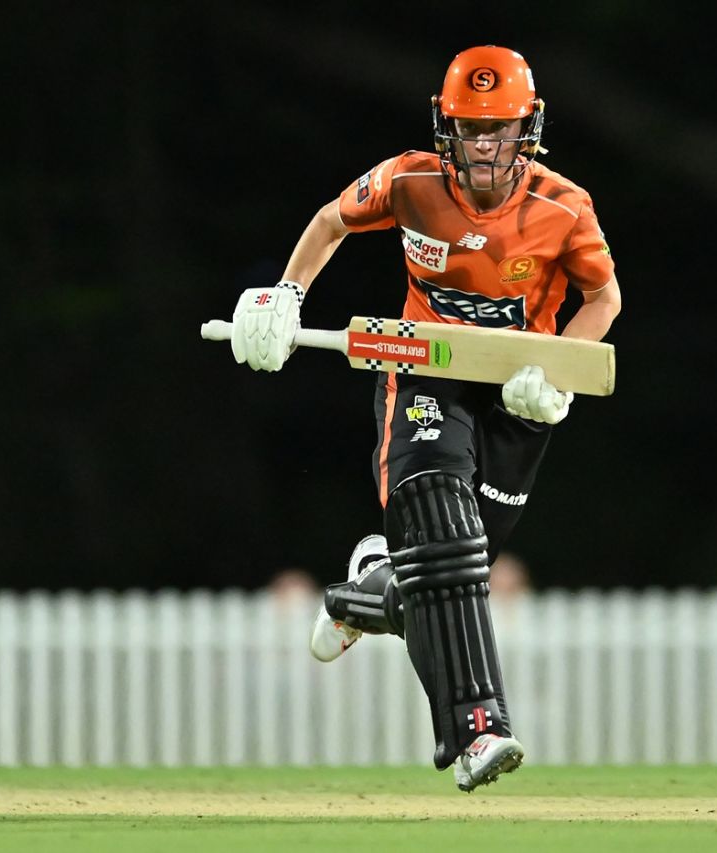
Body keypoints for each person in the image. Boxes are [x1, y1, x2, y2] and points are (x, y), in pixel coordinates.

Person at [227, 45, 620, 791]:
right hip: (423, 372)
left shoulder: (564, 206)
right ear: (447, 126)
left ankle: (369, 586)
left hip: (516, 393)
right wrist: (287, 294)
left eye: (500, 129)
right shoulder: (409, 180)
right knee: (448, 539)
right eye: (472, 129)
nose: (485, 146)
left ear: (528, 128)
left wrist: (560, 369)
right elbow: (331, 221)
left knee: (450, 576)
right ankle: (478, 729)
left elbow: (603, 298)